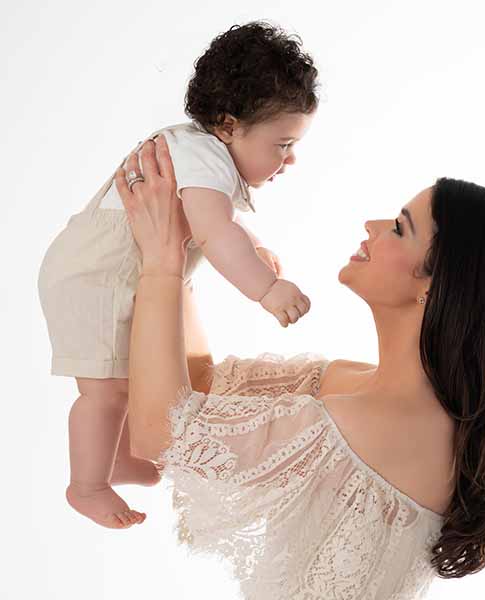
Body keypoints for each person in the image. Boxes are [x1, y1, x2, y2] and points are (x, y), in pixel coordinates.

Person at [117, 137, 485, 597]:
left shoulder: (381, 423)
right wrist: (188, 244)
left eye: (400, 228)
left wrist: (162, 263)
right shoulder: (360, 390)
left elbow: (161, 432)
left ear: (436, 287)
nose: (373, 225)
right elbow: (203, 386)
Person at [36, 22, 317, 528]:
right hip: (92, 280)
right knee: (105, 391)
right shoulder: (199, 155)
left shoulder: (201, 154)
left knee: (130, 378)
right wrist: (266, 288)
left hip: (106, 277)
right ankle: (87, 485)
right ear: (229, 125)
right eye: (282, 144)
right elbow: (212, 232)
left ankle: (119, 458)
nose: (290, 159)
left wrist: (256, 249)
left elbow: (218, 223)